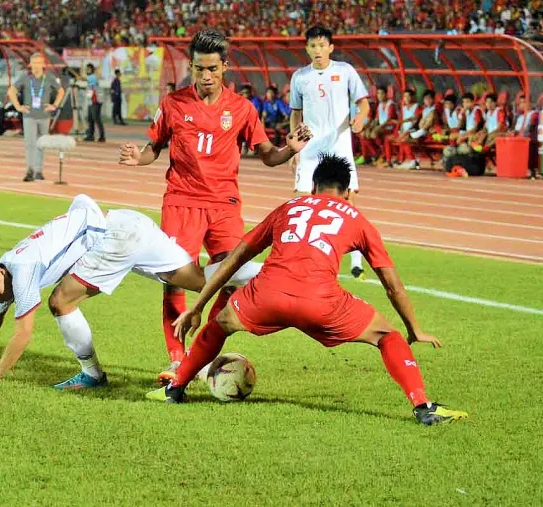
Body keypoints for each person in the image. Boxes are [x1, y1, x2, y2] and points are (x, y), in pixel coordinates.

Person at [147, 154, 469, 427]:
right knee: (388, 336)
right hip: (322, 303)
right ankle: (422, 406)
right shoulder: (356, 218)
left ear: (313, 187)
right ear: (345, 192)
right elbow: (392, 284)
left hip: (266, 296)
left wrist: (199, 305)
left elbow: (236, 258)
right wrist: (414, 328)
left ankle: (175, 389)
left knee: (219, 326)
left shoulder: (289, 207)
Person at [118, 29, 311, 385]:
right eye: (199, 69)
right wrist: (138, 159)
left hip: (224, 205)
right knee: (174, 280)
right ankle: (177, 359)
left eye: (212, 69)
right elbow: (154, 148)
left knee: (233, 278)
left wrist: (290, 151)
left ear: (225, 67)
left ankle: (200, 352)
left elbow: (267, 155)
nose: (206, 77)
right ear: (191, 66)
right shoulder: (173, 104)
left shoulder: (241, 109)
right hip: (181, 201)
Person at [0, 194, 262, 391]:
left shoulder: (24, 268)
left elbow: (23, 334)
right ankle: (270, 273)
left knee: (60, 302)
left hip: (113, 239)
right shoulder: (5, 268)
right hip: (127, 222)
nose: (1, 300)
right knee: (198, 280)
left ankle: (92, 375)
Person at [289, 25, 370, 280]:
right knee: (302, 203)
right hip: (311, 147)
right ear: (307, 48)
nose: (318, 50)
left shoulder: (345, 71)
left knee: (347, 201)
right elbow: (295, 113)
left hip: (339, 145)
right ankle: (300, 259)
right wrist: (295, 147)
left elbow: (363, 104)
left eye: (322, 45)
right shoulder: (300, 77)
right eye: (313, 46)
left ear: (331, 47)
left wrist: (361, 119)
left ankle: (356, 260)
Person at [8, 52, 65, 181]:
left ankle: (39, 171)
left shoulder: (49, 77)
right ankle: (30, 170)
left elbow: (61, 91)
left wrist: (54, 105)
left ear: (43, 64)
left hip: (44, 116)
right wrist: (18, 106)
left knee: (41, 144)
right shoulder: (25, 77)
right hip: (29, 116)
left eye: (39, 63)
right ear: (30, 64)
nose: (37, 66)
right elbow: (11, 90)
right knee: (30, 144)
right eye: (34, 63)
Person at [84, 63, 105, 142]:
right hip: (91, 101)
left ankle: (102, 136)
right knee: (90, 119)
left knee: (97, 119)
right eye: (86, 69)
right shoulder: (91, 77)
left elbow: (84, 79)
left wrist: (76, 75)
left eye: (88, 69)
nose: (87, 71)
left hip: (96, 101)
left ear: (92, 70)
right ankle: (90, 135)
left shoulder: (92, 77)